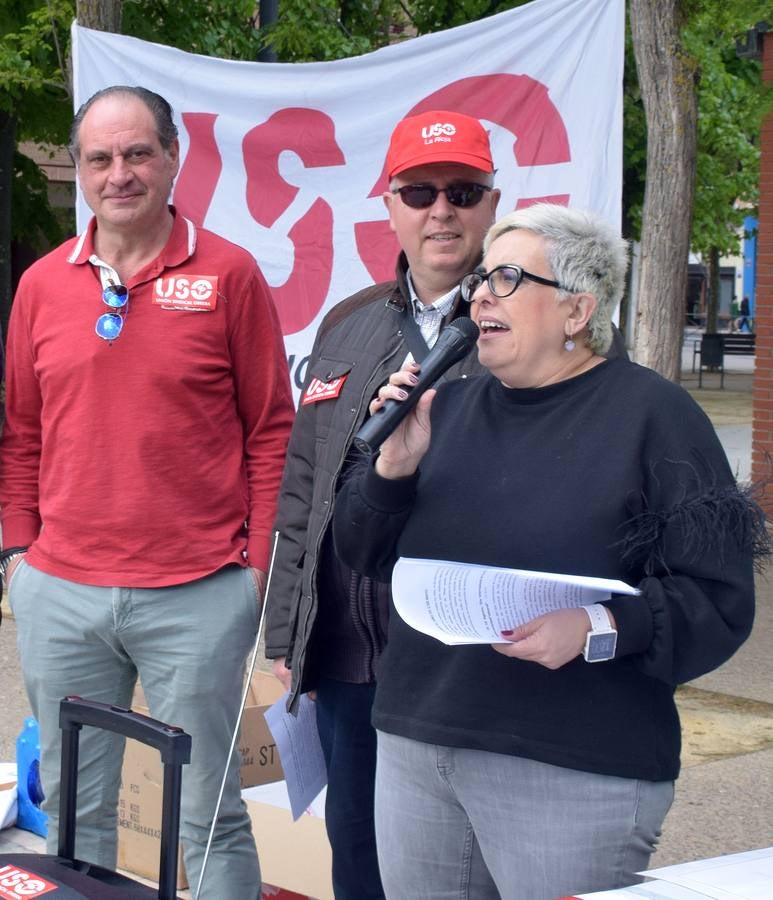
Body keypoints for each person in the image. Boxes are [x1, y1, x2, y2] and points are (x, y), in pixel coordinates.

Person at [332, 203, 766, 900]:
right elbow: (359, 554)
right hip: (419, 741)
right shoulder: (444, 408)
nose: (478, 296)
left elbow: (716, 599)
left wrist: (596, 627)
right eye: (479, 279)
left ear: (576, 311)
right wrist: (394, 468)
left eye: (506, 278)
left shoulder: (652, 417)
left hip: (571, 759)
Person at [0, 86, 294, 898]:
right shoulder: (41, 287)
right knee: (71, 813)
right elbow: (20, 433)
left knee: (206, 816)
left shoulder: (228, 275)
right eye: (100, 158)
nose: (118, 173)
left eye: (136, 154)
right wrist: (17, 555)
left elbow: (272, 430)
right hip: (60, 590)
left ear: (172, 157)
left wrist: (255, 571)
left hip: (198, 593)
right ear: (82, 171)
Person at [264, 110, 501, 899]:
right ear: (390, 204)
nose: (441, 210)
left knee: (460, 868)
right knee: (358, 856)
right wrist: (283, 632)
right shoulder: (348, 323)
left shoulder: (526, 327)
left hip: (464, 663)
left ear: (491, 204)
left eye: (462, 191)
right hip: (346, 658)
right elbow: (303, 484)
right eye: (420, 191)